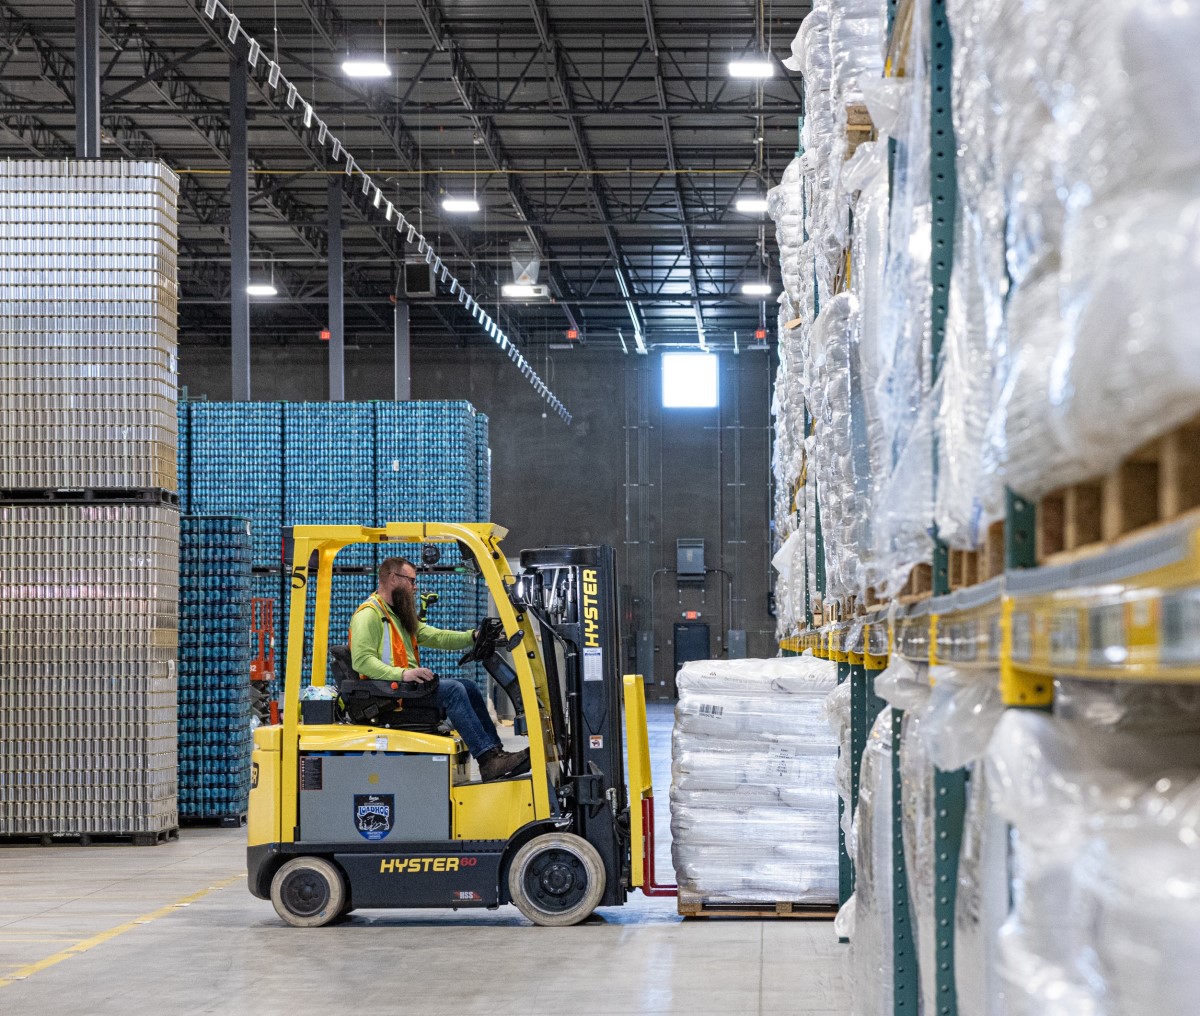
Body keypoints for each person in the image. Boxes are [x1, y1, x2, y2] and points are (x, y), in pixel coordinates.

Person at [349, 556, 530, 783]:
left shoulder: (396, 615)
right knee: (454, 690)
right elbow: (362, 661)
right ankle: (487, 758)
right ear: (393, 578)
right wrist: (403, 674)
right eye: (411, 581)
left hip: (403, 689)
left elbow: (435, 636)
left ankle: (494, 754)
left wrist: (472, 637)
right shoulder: (369, 615)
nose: (415, 588)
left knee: (468, 686)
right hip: (389, 695)